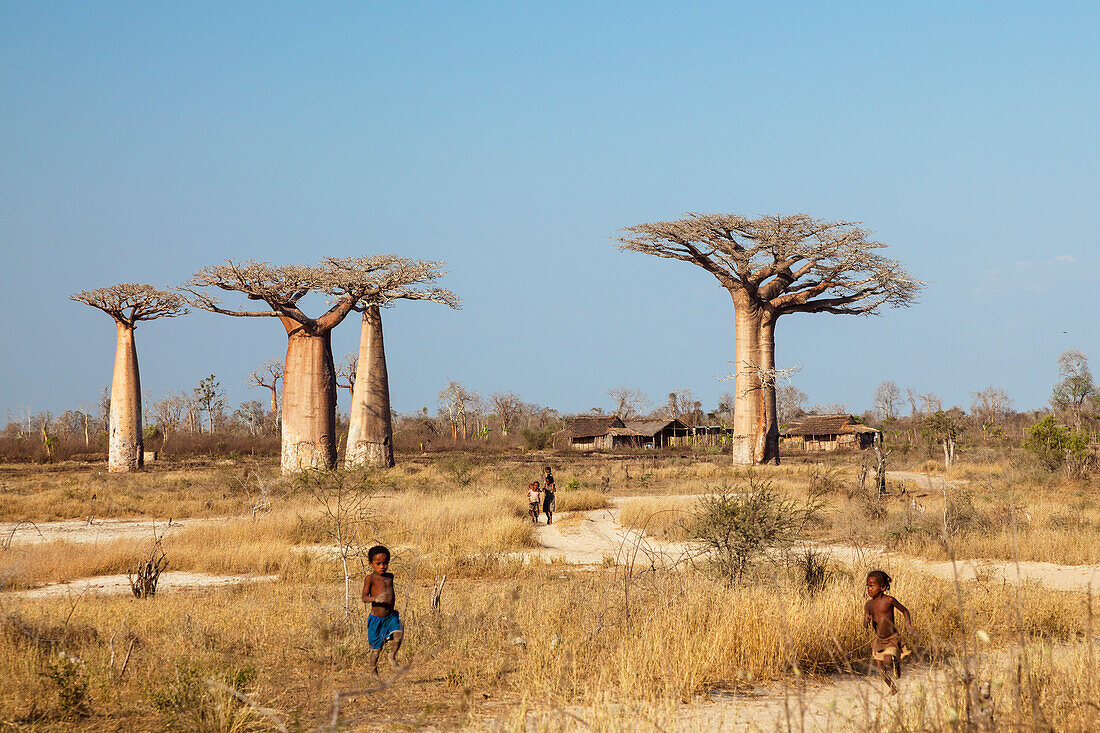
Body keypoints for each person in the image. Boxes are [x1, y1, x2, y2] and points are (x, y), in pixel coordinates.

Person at [864, 569, 914, 694]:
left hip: (891, 638)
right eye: (868, 586)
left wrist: (908, 624)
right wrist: (866, 620)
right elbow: (865, 625)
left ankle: (896, 663)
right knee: (880, 669)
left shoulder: (889, 601)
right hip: (879, 641)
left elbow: (904, 610)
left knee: (887, 662)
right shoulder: (868, 605)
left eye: (872, 586)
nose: (869, 589)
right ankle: (892, 688)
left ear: (882, 587)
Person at [362, 544, 403, 674]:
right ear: (370, 564)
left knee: (398, 634)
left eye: (385, 563)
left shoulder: (390, 576)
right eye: (378, 563)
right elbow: (364, 597)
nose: (382, 566)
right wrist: (375, 599)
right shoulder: (370, 578)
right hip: (376, 619)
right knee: (376, 650)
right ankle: (373, 671)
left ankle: (391, 656)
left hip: (391, 616)